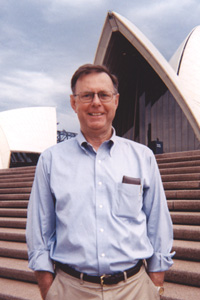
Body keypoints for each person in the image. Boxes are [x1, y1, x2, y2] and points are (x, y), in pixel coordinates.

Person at [26, 64, 174, 300]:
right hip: (71, 290)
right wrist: (49, 290)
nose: (96, 102)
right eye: (87, 95)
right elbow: (39, 233)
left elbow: (158, 225)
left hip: (134, 289)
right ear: (74, 103)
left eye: (103, 95)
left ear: (115, 101)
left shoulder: (143, 157)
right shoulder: (51, 160)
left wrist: (154, 286)